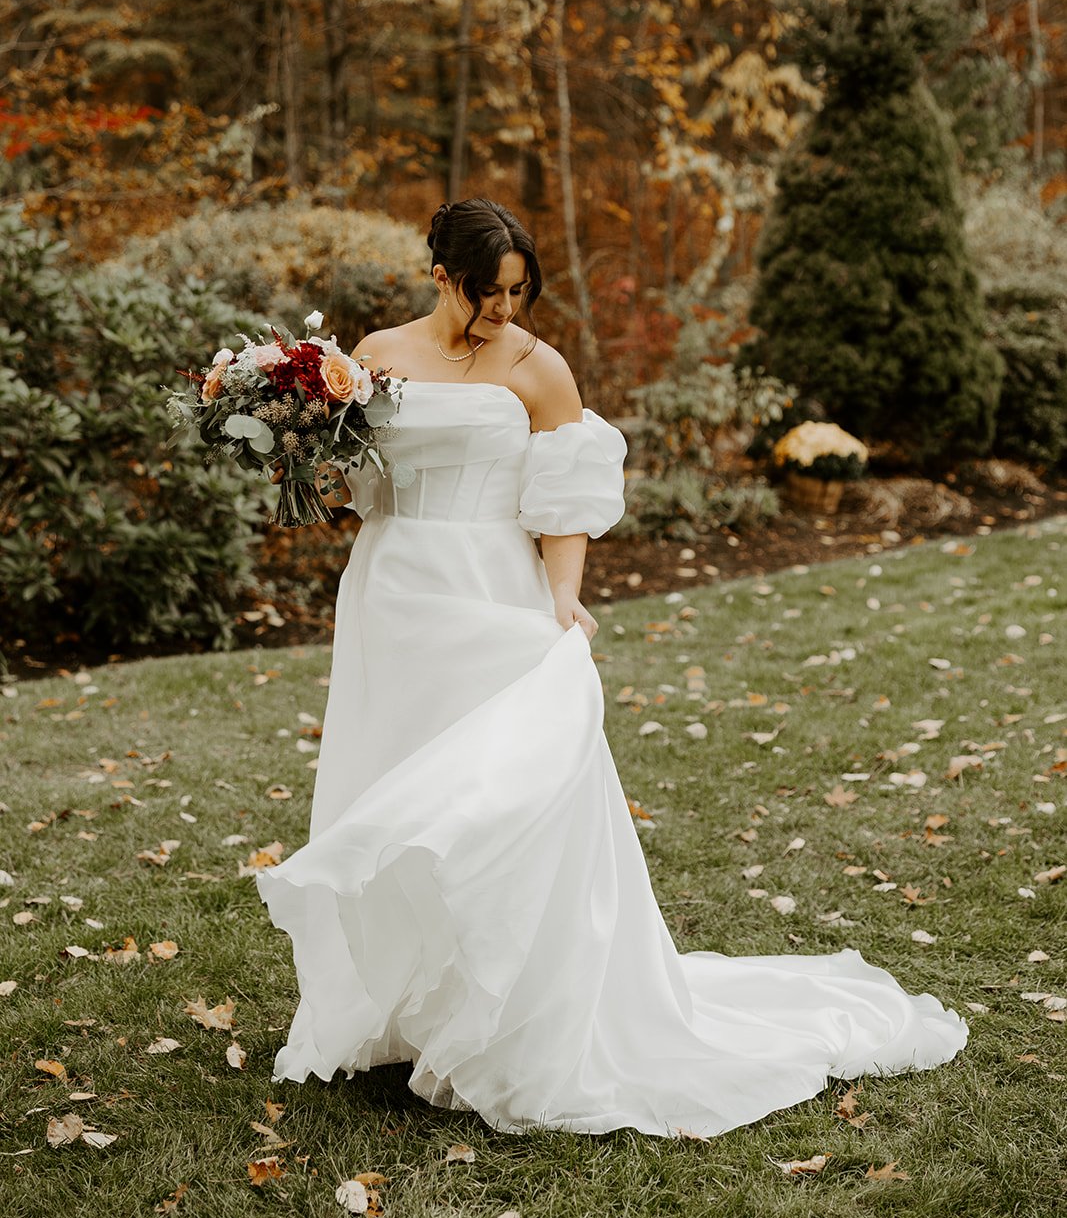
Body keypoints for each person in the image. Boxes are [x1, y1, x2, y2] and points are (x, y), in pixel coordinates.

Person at [255, 197, 967, 1138]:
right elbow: (364, 486)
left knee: (499, 795)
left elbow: (565, 497)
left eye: (518, 291)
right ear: (439, 277)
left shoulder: (537, 367)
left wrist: (559, 597)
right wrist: (299, 448)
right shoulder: (372, 357)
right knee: (394, 777)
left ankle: (516, 1019)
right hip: (393, 592)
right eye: (486, 293)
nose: (504, 310)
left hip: (492, 589)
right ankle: (413, 1010)